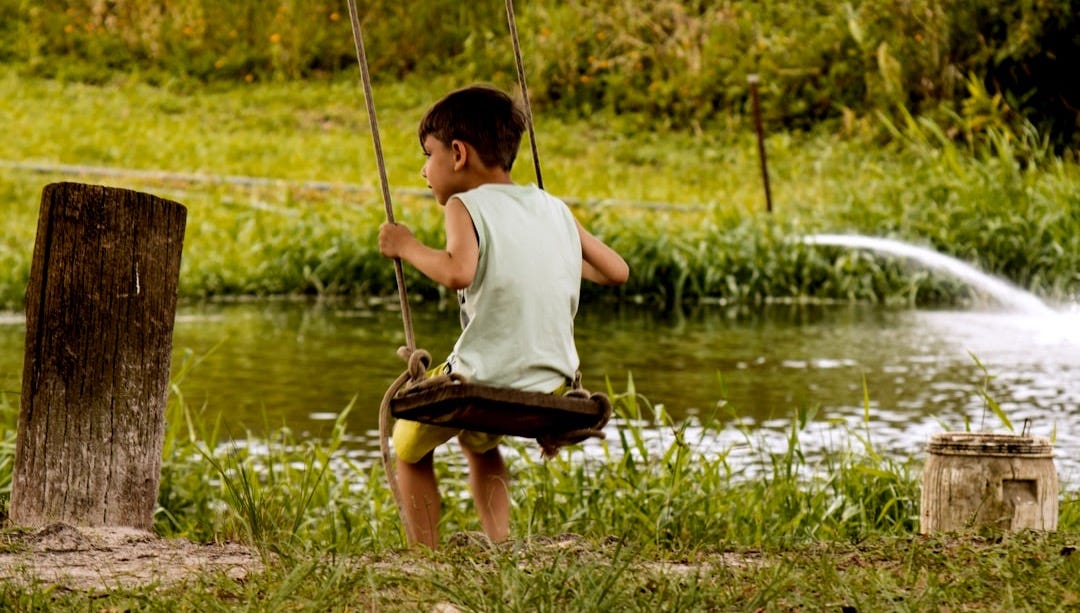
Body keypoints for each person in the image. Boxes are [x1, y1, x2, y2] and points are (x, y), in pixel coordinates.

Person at [377, 84, 629, 549]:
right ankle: (500, 542)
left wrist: (407, 246)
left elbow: (457, 272)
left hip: (483, 377)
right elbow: (617, 271)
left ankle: (424, 554)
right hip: (551, 384)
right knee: (481, 441)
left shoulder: (463, 205)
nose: (423, 170)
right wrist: (554, 251)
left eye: (427, 155)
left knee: (406, 444)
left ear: (457, 153)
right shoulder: (553, 208)